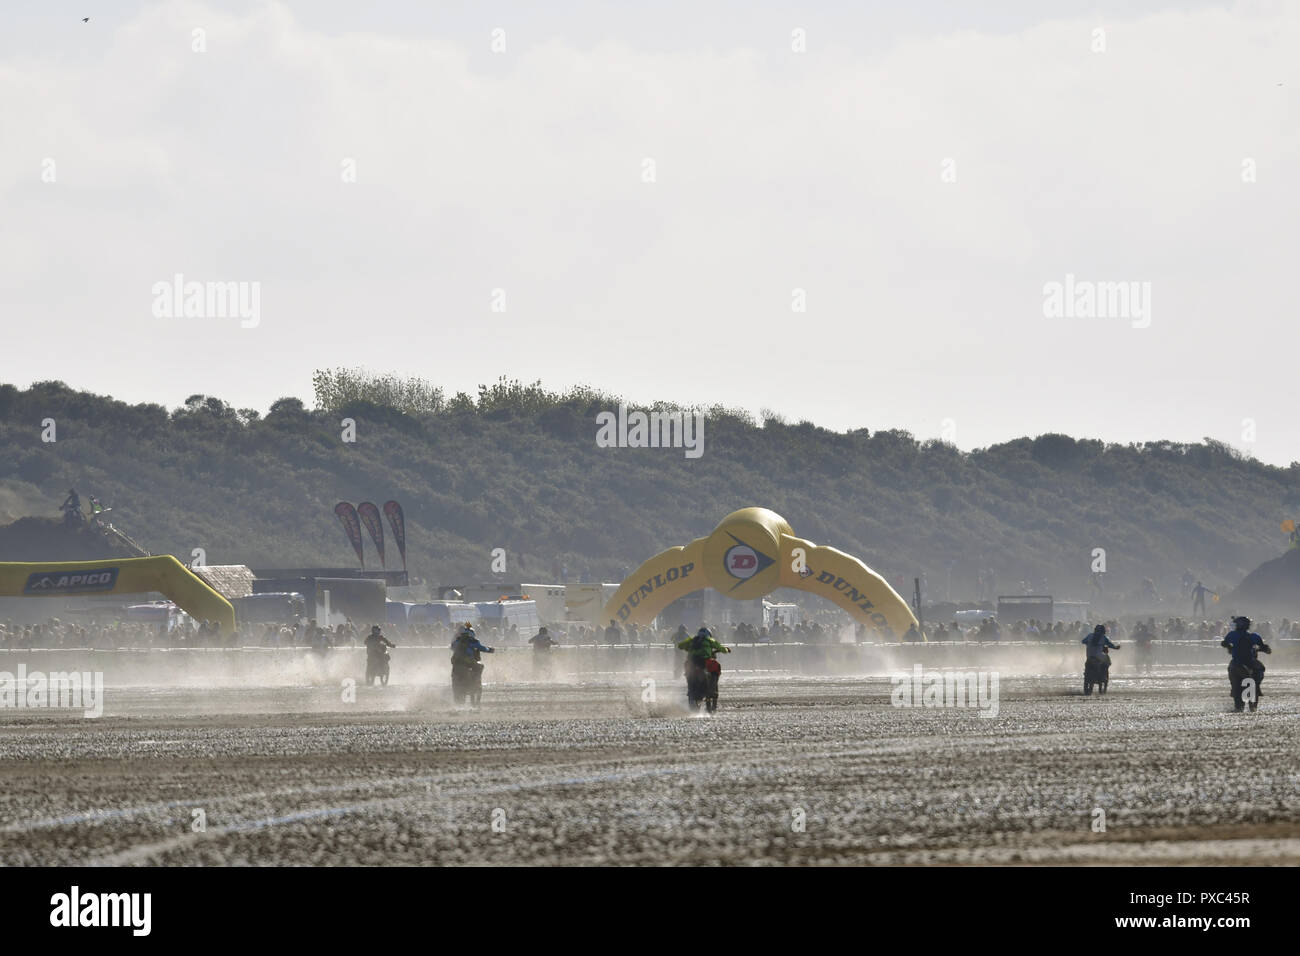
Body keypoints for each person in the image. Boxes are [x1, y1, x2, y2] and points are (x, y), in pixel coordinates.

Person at [1221, 616, 1271, 712]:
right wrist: (1264, 649)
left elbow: (1223, 643)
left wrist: (1229, 647)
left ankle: (1234, 690)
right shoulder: (1254, 636)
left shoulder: (1232, 634)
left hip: (1236, 662)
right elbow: (1264, 647)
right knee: (1261, 669)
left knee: (1231, 671)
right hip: (1250, 662)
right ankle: (1256, 688)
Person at [676, 626, 731, 710]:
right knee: (716, 668)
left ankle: (690, 688)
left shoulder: (692, 639)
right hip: (704, 661)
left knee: (688, 674)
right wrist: (726, 650)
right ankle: (713, 689)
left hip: (692, 662)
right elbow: (721, 648)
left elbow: (680, 646)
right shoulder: (709, 640)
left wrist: (688, 648)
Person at [450, 623, 494, 706]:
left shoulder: (457, 640)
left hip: (457, 663)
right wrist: (490, 649)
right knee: (480, 666)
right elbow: (482, 648)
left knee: (454, 675)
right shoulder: (473, 641)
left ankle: (459, 692)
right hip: (469, 662)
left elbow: (452, 647)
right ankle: (476, 682)